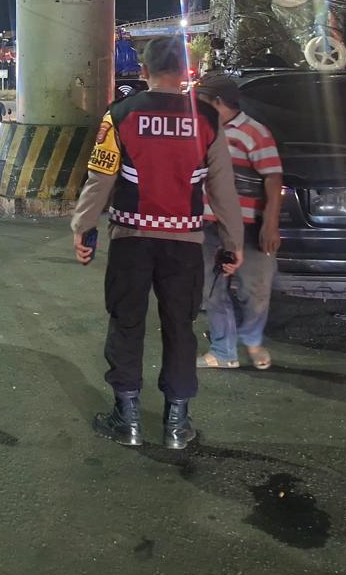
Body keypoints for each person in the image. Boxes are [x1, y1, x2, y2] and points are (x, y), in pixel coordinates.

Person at [70, 36, 244, 450]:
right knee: (180, 327)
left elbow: (101, 178)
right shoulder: (206, 118)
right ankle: (177, 427)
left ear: (144, 71)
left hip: (131, 239)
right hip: (185, 243)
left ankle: (127, 420)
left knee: (126, 322)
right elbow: (223, 189)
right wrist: (233, 243)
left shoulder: (121, 113)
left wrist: (84, 226)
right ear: (185, 72)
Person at [194, 75, 283, 371]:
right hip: (209, 225)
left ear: (217, 102)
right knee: (212, 289)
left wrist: (270, 224)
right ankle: (223, 350)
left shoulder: (254, 132)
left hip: (249, 227)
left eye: (202, 101)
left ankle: (252, 339)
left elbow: (273, 177)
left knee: (255, 290)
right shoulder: (202, 131)